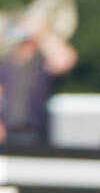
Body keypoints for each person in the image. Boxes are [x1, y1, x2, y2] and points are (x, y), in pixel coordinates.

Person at [0, 15, 77, 148]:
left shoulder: (42, 64)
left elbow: (66, 60)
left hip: (35, 134)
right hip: (7, 133)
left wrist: (43, 34)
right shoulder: (6, 64)